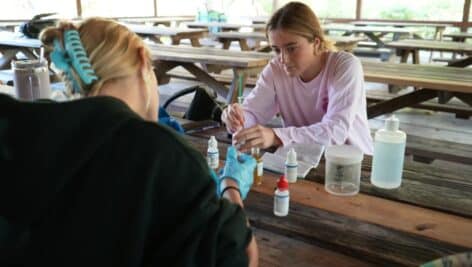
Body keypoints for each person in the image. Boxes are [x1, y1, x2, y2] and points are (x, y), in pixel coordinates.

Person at [0, 17, 258, 266]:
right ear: (144, 62)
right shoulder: (161, 153)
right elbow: (240, 256)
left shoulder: (22, 131)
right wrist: (230, 185)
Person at [222, 2, 373, 155]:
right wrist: (237, 119)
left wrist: (276, 136)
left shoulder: (344, 66)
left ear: (316, 43)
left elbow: (336, 131)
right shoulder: (275, 70)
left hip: (353, 162)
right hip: (301, 158)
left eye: (291, 48)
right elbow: (253, 113)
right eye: (276, 50)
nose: (283, 59)